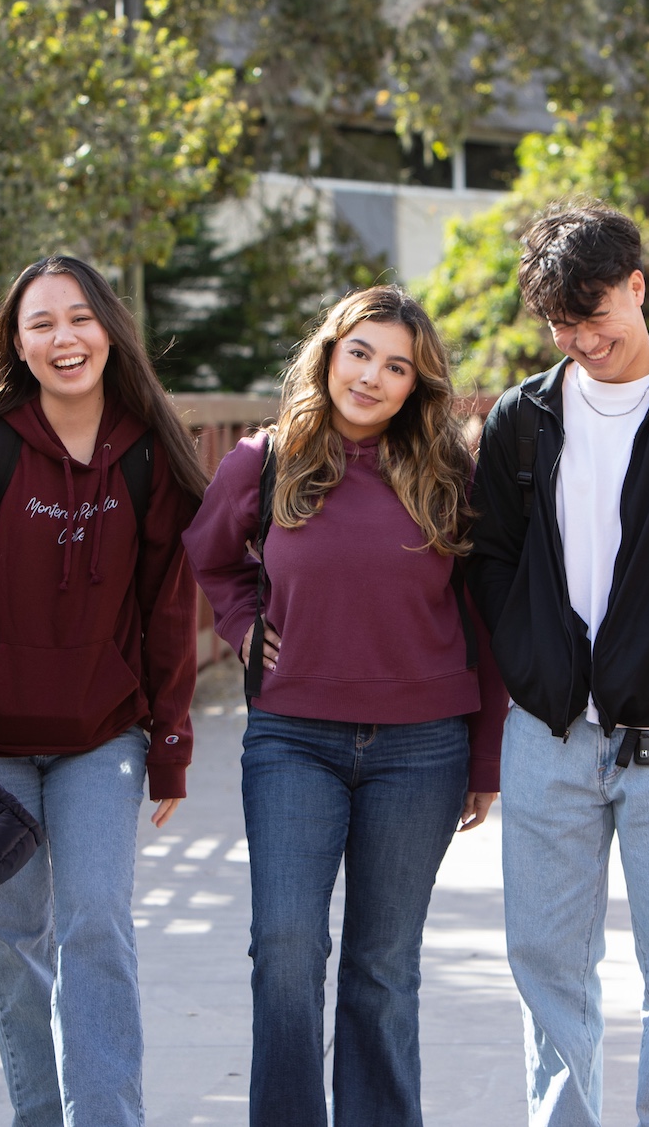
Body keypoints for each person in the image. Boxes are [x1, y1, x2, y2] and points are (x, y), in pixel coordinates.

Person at [465, 200, 649, 1125]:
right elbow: (492, 556)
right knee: (549, 963)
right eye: (562, 323)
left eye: (596, 313)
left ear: (637, 289)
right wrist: (531, 663)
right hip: (549, 731)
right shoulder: (524, 416)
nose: (582, 339)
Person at [182, 285, 508, 1126]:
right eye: (359, 352)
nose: (371, 376)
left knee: (383, 967)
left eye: (396, 366)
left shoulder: (449, 472)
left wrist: (484, 756)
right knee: (286, 952)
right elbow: (212, 560)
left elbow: (485, 615)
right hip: (293, 738)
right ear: (329, 353)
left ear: (416, 385)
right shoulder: (260, 461)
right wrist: (248, 628)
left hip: (423, 749)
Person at [0, 255, 204, 1127]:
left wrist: (170, 744)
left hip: (102, 736)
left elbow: (168, 607)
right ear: (16, 341)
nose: (63, 338)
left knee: (95, 927)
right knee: (13, 945)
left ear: (109, 330)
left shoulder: (150, 452)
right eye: (40, 323)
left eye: (79, 318)